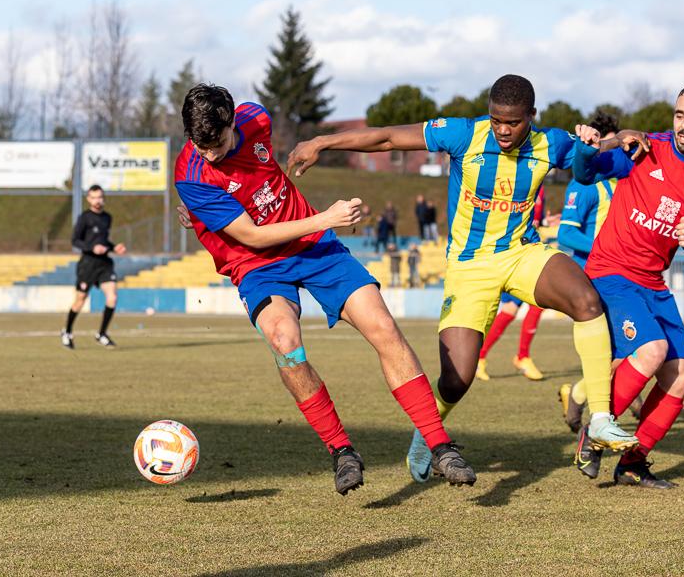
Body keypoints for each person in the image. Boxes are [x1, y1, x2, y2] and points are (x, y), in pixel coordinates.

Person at [288, 74, 640, 485]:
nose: (503, 131)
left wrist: (629, 136)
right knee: (456, 380)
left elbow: (601, 158)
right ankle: (427, 434)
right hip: (470, 268)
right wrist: (322, 141)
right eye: (496, 121)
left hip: (522, 253)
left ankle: (598, 417)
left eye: (513, 122)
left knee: (587, 300)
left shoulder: (551, 143)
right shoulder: (464, 134)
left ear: (532, 117)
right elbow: (387, 139)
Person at [174, 83, 475, 495]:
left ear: (231, 121)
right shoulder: (190, 174)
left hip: (315, 250)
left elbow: (258, 168)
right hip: (257, 262)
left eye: (219, 143)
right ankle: (341, 451)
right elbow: (251, 236)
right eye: (200, 145)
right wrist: (327, 218)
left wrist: (314, 148)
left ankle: (440, 446)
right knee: (283, 339)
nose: (210, 154)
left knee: (383, 327)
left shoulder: (255, 118)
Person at [571, 82, 684, 489]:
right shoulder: (645, 149)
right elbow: (585, 173)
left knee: (680, 376)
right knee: (653, 349)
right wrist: (589, 148)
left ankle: (632, 463)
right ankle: (593, 431)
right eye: (680, 115)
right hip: (611, 271)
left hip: (652, 283)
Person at [556, 111, 642, 432]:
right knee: (623, 345)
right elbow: (565, 234)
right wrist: (605, 246)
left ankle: (578, 394)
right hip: (591, 277)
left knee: (623, 346)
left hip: (620, 272)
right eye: (613, 142)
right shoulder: (585, 184)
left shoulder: (620, 181)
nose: (620, 147)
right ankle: (594, 399)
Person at [475, 187, 548, 382]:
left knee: (536, 303)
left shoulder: (540, 187)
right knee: (510, 309)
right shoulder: (517, 180)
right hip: (511, 254)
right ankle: (482, 358)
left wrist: (548, 222)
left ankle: (519, 356)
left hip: (529, 252)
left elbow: (534, 221)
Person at [61, 184, 127, 350]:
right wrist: (92, 248)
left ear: (103, 198)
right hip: (88, 264)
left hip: (104, 264)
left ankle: (102, 334)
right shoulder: (85, 217)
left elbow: (104, 242)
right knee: (80, 300)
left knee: (112, 297)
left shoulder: (107, 218)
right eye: (94, 197)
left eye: (100, 197)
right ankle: (67, 332)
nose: (98, 200)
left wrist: (113, 248)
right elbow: (75, 240)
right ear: (89, 199)